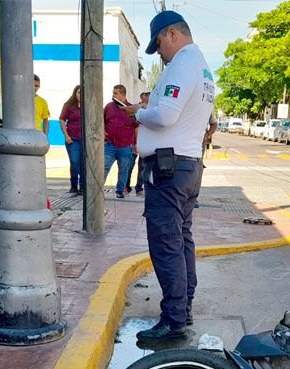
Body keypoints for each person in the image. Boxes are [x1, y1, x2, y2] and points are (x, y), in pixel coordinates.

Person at [122, 11, 215, 341]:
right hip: (187, 166)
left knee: (166, 245)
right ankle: (182, 309)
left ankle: (173, 320)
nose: (159, 52)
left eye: (159, 44)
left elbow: (164, 116)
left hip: (169, 170)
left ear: (172, 34)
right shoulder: (202, 68)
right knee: (181, 241)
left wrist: (138, 113)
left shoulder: (182, 65)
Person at [104, 84, 138, 199]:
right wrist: (102, 131)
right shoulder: (109, 106)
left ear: (123, 95)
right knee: (104, 167)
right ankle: (97, 190)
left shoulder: (131, 109)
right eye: (113, 93)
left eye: (115, 93)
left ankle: (120, 191)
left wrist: (136, 144)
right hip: (109, 144)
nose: (112, 95)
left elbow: (136, 127)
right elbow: (101, 120)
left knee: (123, 170)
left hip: (125, 146)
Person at [59, 85, 82, 194]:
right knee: (74, 162)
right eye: (79, 92)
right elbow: (62, 120)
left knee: (83, 164)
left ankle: (83, 187)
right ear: (75, 93)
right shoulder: (68, 105)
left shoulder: (88, 106)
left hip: (85, 140)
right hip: (72, 139)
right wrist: (66, 136)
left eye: (83, 93)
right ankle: (74, 186)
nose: (81, 95)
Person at [128, 91, 151, 195]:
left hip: (145, 143)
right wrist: (135, 142)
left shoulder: (151, 110)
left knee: (142, 167)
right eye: (145, 95)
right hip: (133, 143)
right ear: (142, 96)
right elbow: (133, 126)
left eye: (149, 95)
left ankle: (139, 188)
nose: (147, 97)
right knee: (129, 166)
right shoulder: (135, 108)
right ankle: (126, 187)